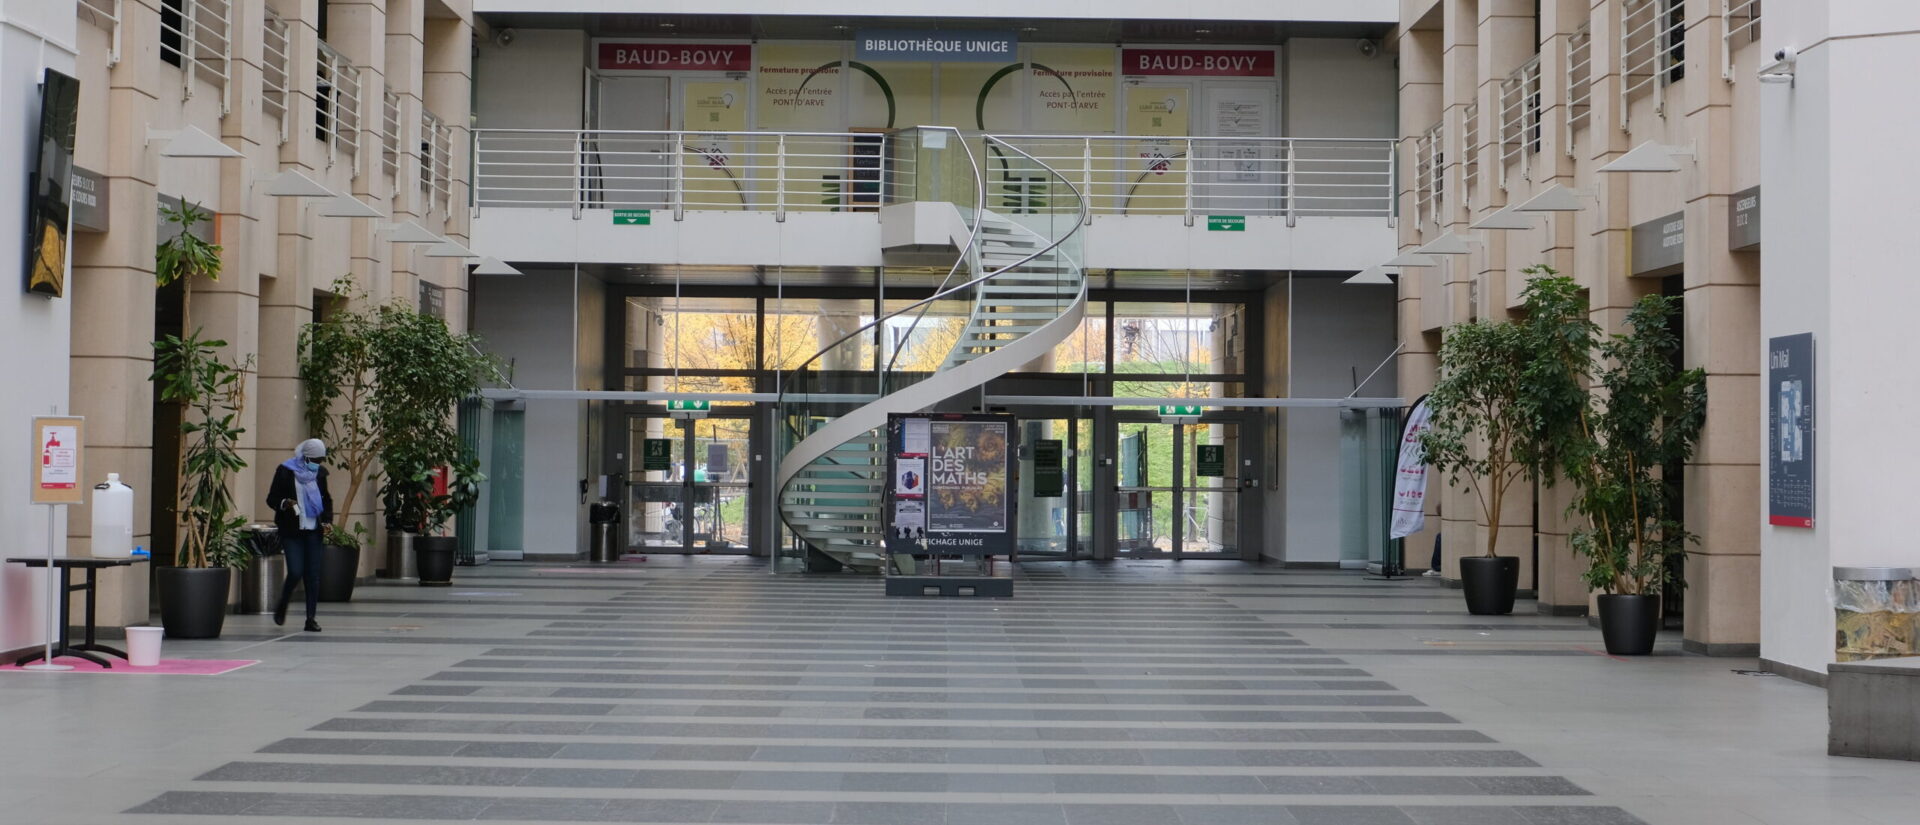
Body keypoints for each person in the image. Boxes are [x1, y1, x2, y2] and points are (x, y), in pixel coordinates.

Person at [268, 438, 333, 631]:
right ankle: (283, 602)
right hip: (291, 531)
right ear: (305, 457)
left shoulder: (320, 474)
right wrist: (285, 503)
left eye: (320, 460)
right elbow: (271, 498)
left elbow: (326, 499)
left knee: (313, 575)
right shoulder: (285, 472)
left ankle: (310, 618)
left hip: (313, 530)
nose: (318, 463)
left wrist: (328, 520)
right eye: (315, 459)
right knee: (296, 571)